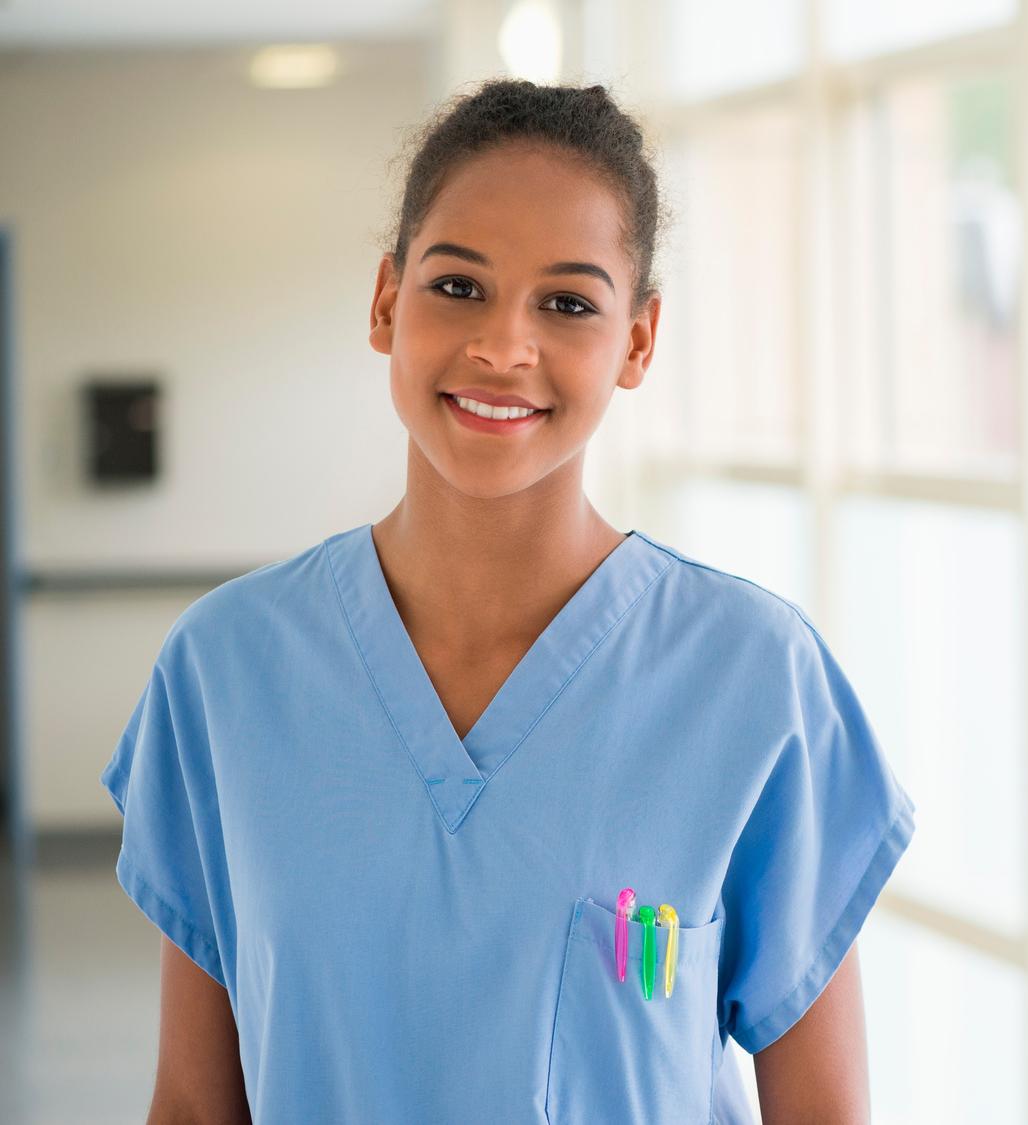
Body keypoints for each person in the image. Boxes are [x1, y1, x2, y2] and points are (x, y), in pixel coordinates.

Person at [97, 78, 915, 1123]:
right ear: (386, 302)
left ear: (637, 341)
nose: (503, 347)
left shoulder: (753, 680)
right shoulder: (227, 670)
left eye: (568, 303)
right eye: (457, 287)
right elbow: (195, 1106)